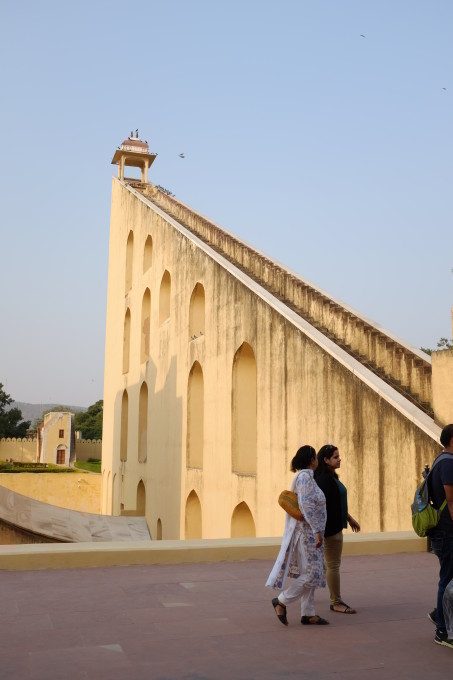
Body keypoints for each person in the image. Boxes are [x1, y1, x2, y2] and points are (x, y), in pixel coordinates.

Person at [266, 445, 328, 626]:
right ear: (311, 460)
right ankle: (281, 601)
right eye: (315, 457)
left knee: (310, 572)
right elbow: (306, 505)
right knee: (311, 573)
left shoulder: (307, 477)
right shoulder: (304, 478)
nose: (317, 460)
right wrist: (317, 531)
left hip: (311, 533)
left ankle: (308, 613)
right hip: (308, 534)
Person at [314, 444, 360, 614]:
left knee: (327, 565)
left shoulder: (330, 477)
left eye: (338, 456)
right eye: (335, 457)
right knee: (333, 565)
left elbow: (336, 503)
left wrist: (349, 518)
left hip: (332, 527)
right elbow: (324, 506)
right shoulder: (325, 480)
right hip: (331, 529)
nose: (339, 459)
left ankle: (310, 592)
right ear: (326, 460)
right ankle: (336, 601)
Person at [428, 423, 453, 648]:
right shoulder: (448, 464)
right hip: (447, 531)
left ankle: (440, 615)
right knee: (446, 579)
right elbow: (451, 499)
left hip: (442, 530)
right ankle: (442, 630)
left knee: (448, 578)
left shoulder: (440, 460)